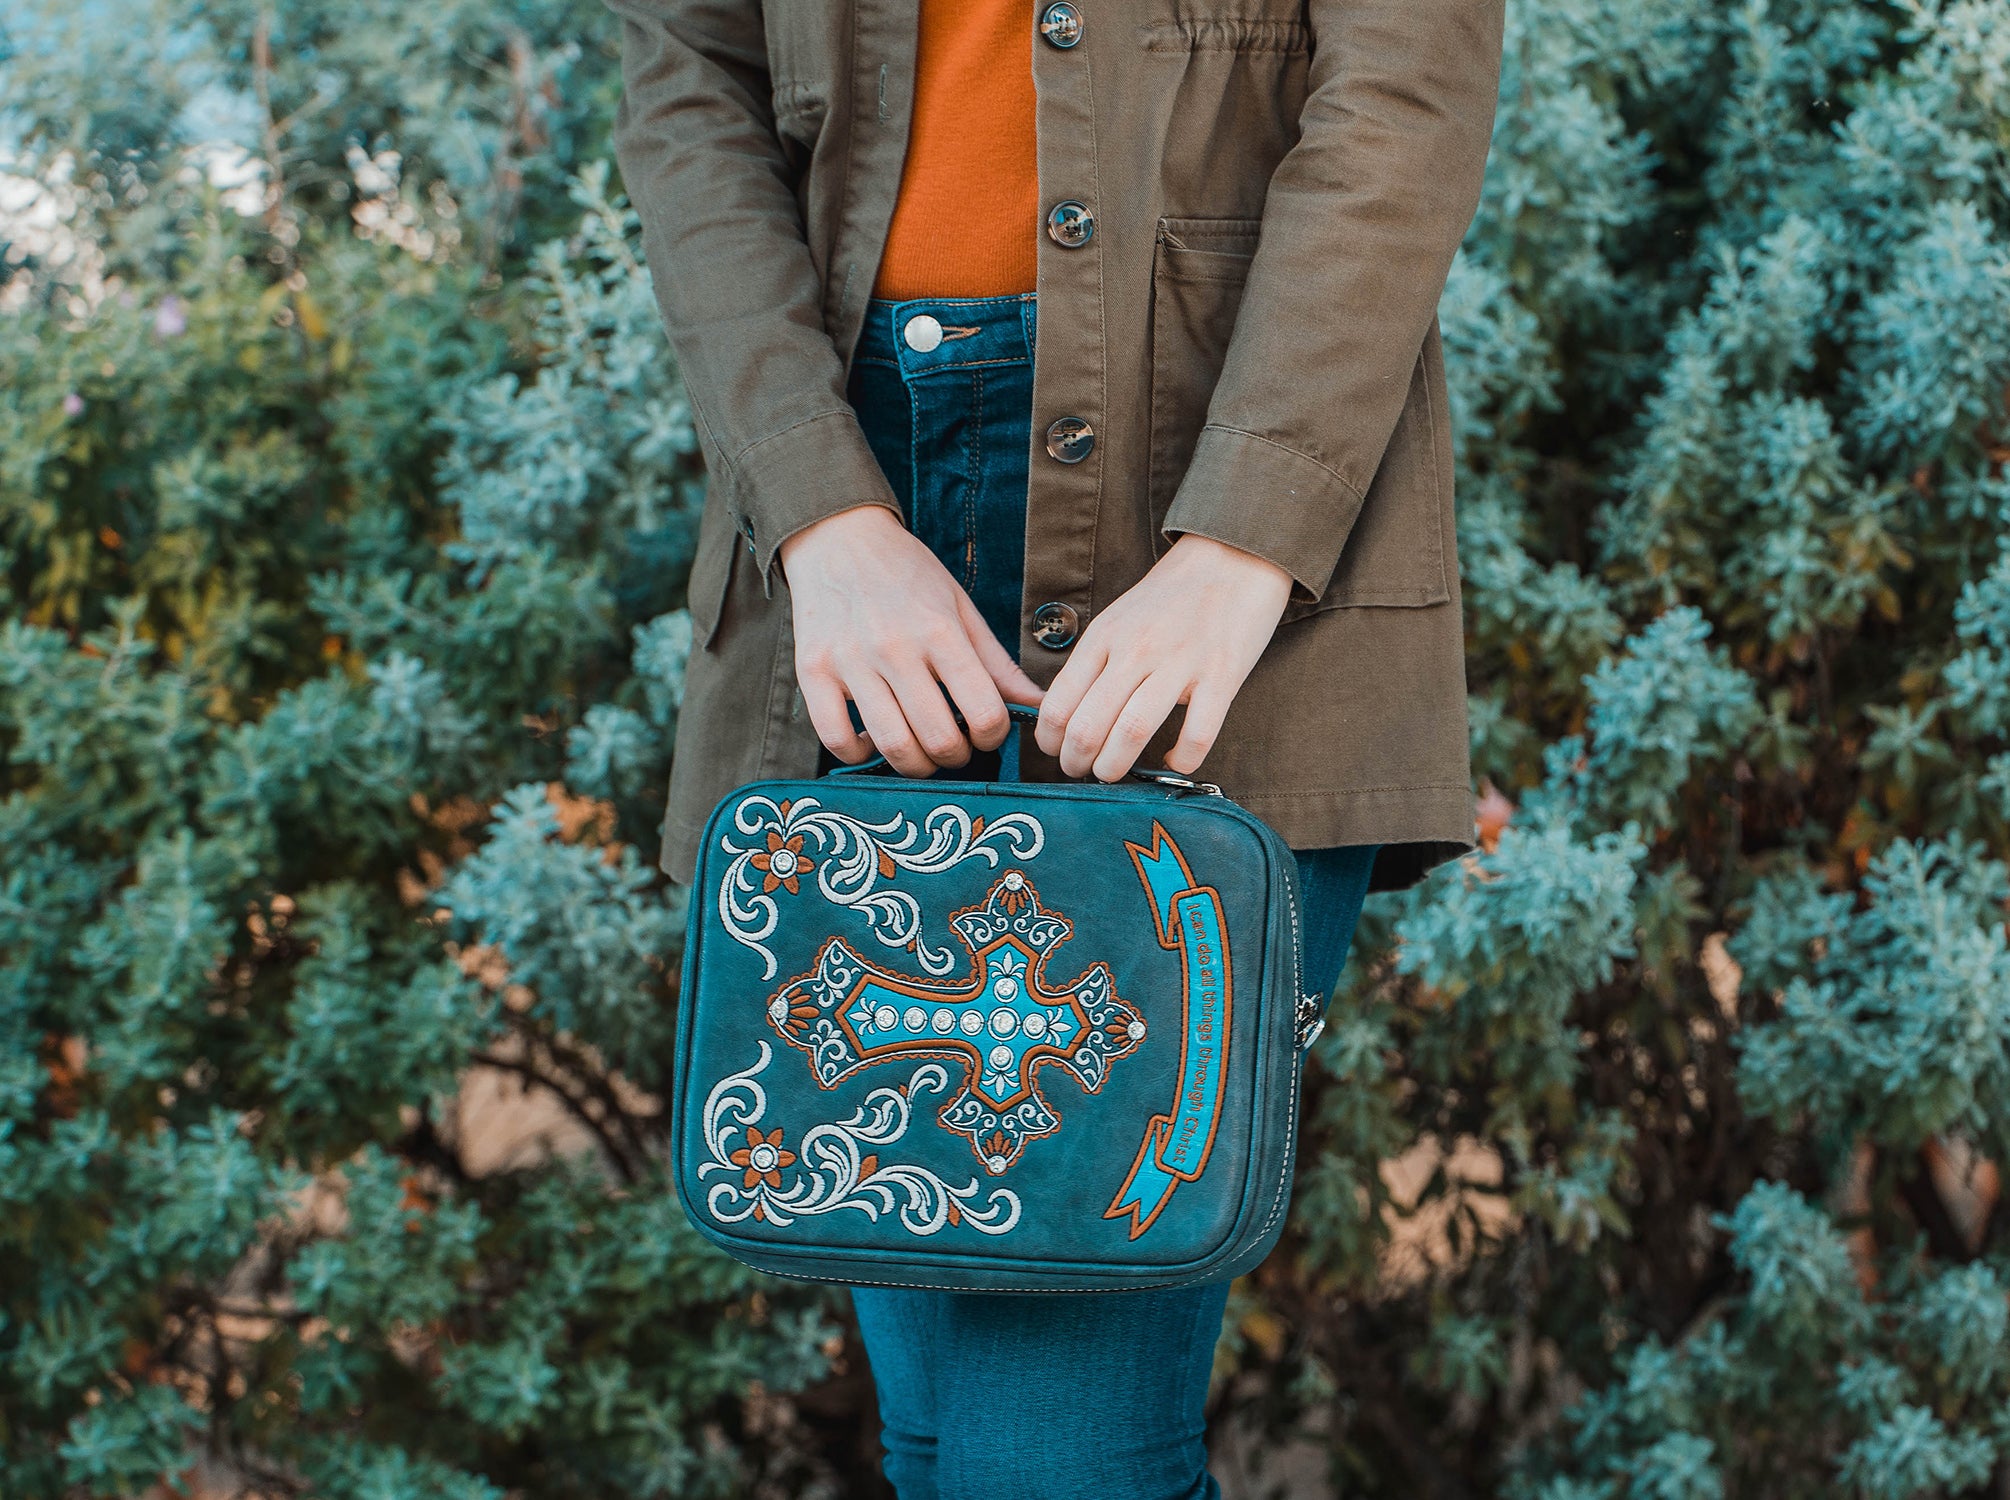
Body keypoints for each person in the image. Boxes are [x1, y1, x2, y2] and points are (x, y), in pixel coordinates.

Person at [609, 1, 1503, 1494]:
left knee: (1055, 1463)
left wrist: (1244, 542)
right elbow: (685, 75)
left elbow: (1404, 84)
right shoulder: (828, 529)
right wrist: (816, 511)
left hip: (1216, 503)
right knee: (947, 1442)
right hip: (852, 534)